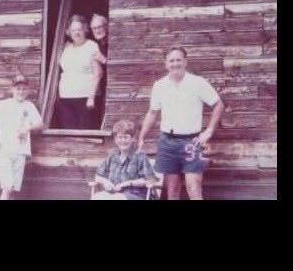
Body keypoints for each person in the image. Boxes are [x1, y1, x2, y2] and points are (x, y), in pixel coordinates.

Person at [137, 46, 225, 200]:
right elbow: (152, 112)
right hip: (167, 142)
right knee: (172, 189)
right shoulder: (160, 85)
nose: (175, 63)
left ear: (185, 62)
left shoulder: (197, 83)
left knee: (194, 187)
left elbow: (219, 104)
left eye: (178, 60)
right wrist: (142, 135)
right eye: (171, 60)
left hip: (191, 142)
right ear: (166, 64)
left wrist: (209, 131)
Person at [0, 75, 44, 200]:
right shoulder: (2, 105)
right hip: (4, 150)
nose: (21, 91)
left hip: (20, 151)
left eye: (24, 89)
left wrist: (27, 128)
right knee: (7, 188)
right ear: (12, 90)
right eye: (18, 88)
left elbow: (40, 124)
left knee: (13, 189)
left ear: (28, 90)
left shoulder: (29, 106)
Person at [55, 15, 103, 129]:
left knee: (85, 131)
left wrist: (91, 97)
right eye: (73, 30)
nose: (77, 33)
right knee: (69, 131)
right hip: (65, 97)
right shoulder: (66, 48)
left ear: (85, 30)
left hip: (86, 97)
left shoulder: (91, 46)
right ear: (68, 32)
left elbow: (98, 73)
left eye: (79, 29)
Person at [91, 119, 155, 200]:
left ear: (133, 138)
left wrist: (127, 184)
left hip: (135, 195)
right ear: (115, 139)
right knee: (97, 198)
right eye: (120, 137)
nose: (123, 141)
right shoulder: (113, 155)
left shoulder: (140, 156)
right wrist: (105, 182)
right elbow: (98, 176)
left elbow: (150, 180)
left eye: (126, 137)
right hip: (114, 193)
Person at [89, 13, 109, 130]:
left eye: (99, 27)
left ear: (106, 26)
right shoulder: (94, 44)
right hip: (100, 84)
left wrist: (103, 59)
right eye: (94, 28)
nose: (97, 30)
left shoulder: (113, 41)